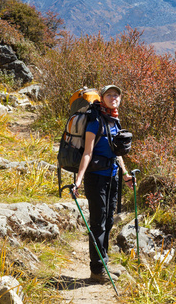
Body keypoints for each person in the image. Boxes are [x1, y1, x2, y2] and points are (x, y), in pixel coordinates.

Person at [73, 84, 133, 283]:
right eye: (109, 94)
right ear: (103, 98)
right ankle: (97, 270)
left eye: (116, 95)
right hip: (96, 178)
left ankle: (104, 263)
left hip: (113, 177)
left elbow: (117, 153)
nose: (113, 97)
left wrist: (125, 174)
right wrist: (79, 179)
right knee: (98, 224)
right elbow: (88, 152)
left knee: (108, 222)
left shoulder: (114, 120)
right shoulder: (95, 121)